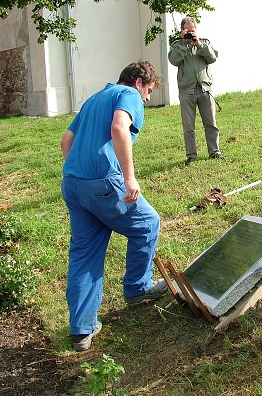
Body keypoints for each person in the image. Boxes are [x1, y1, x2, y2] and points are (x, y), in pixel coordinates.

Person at [60, 61, 168, 352]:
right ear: (137, 82)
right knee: (147, 223)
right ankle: (137, 287)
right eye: (148, 91)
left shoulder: (94, 98)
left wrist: (79, 172)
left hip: (73, 183)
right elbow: (119, 127)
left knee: (84, 253)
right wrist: (129, 178)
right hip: (104, 182)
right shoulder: (128, 95)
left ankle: (81, 331)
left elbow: (66, 139)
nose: (146, 98)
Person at [168, 16, 222, 165]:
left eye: (193, 30)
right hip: (186, 91)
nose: (190, 33)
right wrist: (184, 45)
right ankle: (191, 155)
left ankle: (215, 152)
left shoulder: (204, 43)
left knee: (211, 123)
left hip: (205, 89)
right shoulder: (177, 45)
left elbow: (212, 58)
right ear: (181, 30)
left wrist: (198, 44)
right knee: (188, 126)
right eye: (187, 30)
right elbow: (174, 60)